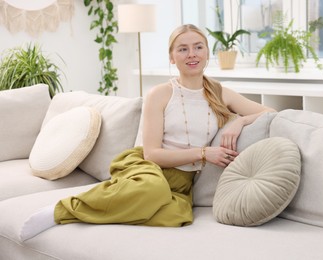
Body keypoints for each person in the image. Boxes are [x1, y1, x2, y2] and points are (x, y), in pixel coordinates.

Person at [19, 24, 276, 241]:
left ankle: (114, 197)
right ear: (171, 57)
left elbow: (269, 112)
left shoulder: (219, 92)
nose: (192, 54)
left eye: (198, 46)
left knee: (177, 216)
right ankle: (61, 209)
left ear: (207, 52)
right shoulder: (160, 94)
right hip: (148, 167)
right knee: (153, 191)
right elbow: (153, 154)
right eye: (183, 49)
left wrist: (238, 122)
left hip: (181, 183)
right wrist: (203, 153)